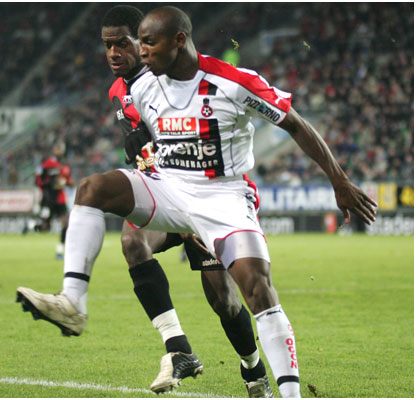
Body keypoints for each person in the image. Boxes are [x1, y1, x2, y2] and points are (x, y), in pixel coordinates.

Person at [20, 5, 377, 398]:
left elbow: (295, 123)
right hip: (170, 189)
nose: (140, 52)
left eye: (146, 43)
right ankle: (84, 307)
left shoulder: (233, 83)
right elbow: (154, 143)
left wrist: (339, 181)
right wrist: (140, 145)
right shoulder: (140, 88)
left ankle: (270, 380)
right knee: (99, 198)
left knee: (244, 294)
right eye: (134, 44)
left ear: (179, 40)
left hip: (222, 197)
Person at [18, 6, 272, 397]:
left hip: (206, 198)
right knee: (132, 241)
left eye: (122, 43)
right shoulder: (118, 91)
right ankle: (178, 348)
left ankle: (254, 370)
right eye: (107, 45)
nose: (114, 53)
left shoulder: (169, 78)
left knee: (223, 300)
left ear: (143, 42)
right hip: (164, 195)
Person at [35, 141, 74, 259]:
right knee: (45, 228)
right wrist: (50, 185)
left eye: (61, 149)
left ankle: (59, 250)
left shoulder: (65, 166)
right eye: (58, 149)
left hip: (60, 199)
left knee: (65, 223)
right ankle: (31, 226)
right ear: (54, 150)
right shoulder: (48, 164)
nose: (59, 151)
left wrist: (68, 183)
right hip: (49, 199)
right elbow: (38, 180)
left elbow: (68, 181)